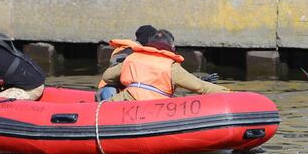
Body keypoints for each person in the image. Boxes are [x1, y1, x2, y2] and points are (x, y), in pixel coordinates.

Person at [100, 29, 229, 101]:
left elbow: (107, 76)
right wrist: (232, 94)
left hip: (125, 103)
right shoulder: (171, 66)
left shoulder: (132, 58)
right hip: (156, 110)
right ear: (171, 46)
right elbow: (201, 87)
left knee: (107, 91)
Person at [96, 25, 158, 100]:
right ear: (149, 39)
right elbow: (115, 76)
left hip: (125, 90)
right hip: (111, 89)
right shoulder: (128, 52)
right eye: (155, 39)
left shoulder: (137, 51)